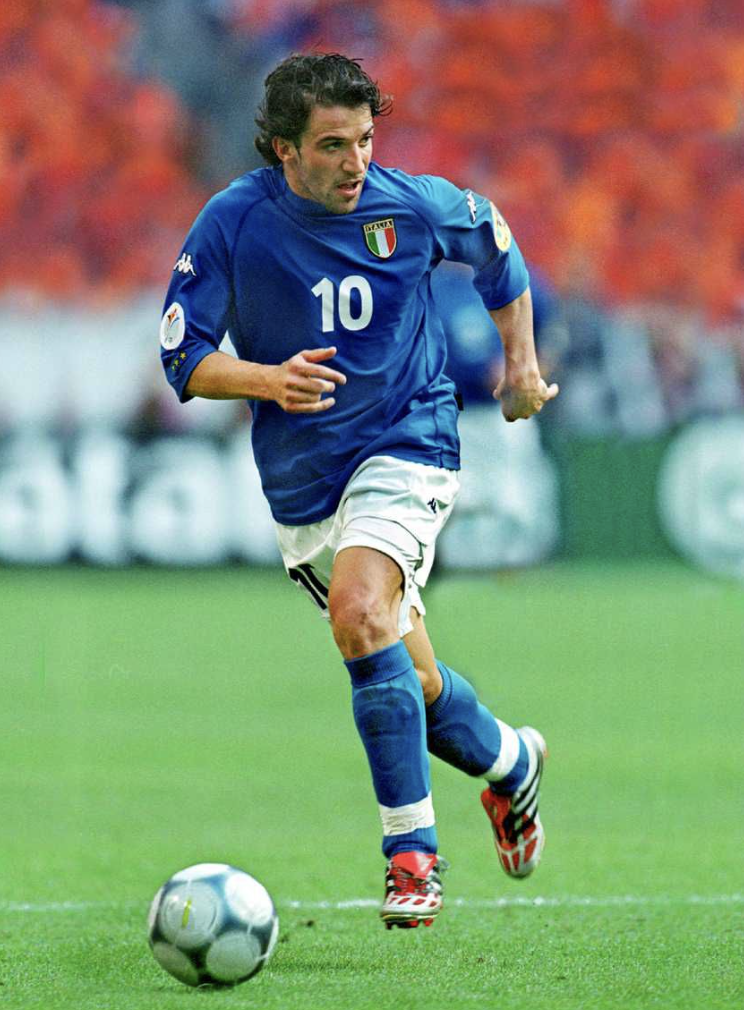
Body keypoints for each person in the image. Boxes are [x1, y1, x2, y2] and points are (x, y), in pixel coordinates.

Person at [159, 53, 558, 929]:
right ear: (283, 149)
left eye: (366, 140)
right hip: (304, 481)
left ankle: (412, 856)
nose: (356, 163)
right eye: (333, 145)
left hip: (409, 441)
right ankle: (511, 763)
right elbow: (183, 356)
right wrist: (267, 380)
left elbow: (494, 243)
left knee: (360, 610)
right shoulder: (233, 221)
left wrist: (521, 367)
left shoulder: (407, 205)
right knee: (409, 677)